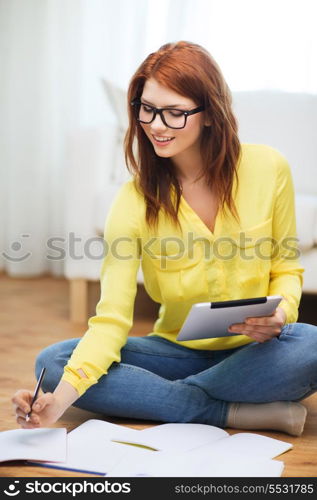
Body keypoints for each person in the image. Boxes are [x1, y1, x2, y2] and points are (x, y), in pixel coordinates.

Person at [13, 41, 317, 437]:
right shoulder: (133, 200)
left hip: (256, 351)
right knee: (53, 363)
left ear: (210, 114)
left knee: (309, 345)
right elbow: (111, 320)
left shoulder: (268, 168)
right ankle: (229, 412)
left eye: (175, 113)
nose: (156, 125)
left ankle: (168, 400)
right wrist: (58, 403)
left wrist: (280, 317)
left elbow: (286, 267)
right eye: (147, 108)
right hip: (176, 353)